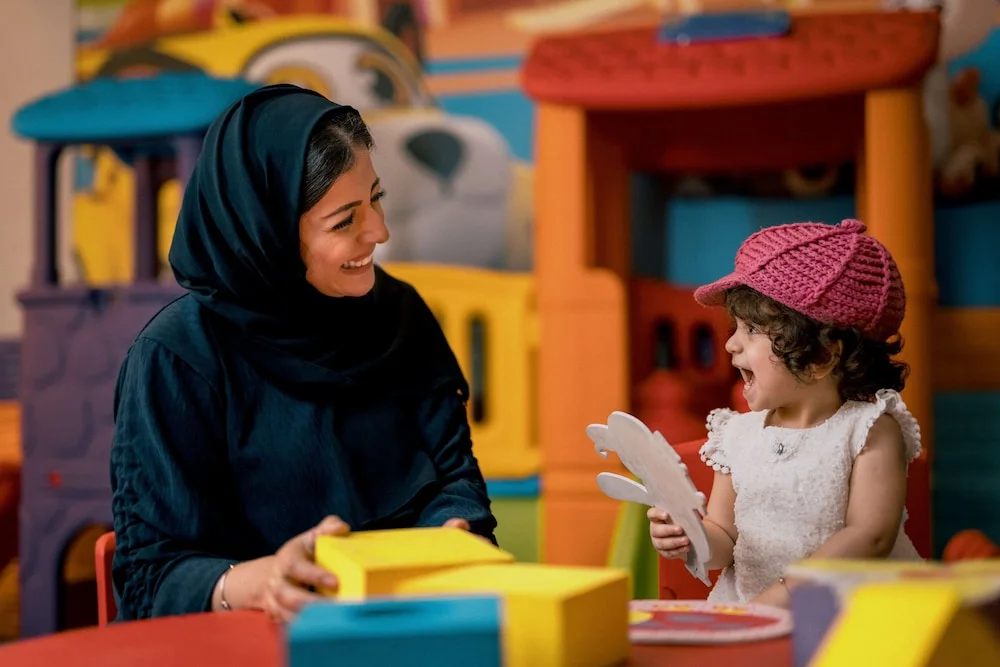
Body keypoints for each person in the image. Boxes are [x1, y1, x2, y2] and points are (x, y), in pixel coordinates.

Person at [109, 84, 497, 624]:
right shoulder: (175, 359)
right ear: (265, 232)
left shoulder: (399, 315)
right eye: (344, 221)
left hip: (405, 626)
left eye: (377, 198)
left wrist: (451, 530)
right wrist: (262, 581)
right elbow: (149, 579)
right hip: (246, 642)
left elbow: (455, 477)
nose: (379, 232)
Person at [648, 219, 923, 608]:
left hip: (846, 613)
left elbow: (869, 537)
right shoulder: (736, 435)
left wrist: (780, 598)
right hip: (751, 609)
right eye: (735, 327)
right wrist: (690, 536)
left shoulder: (868, 430)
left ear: (821, 356)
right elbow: (724, 538)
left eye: (752, 329)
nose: (730, 345)